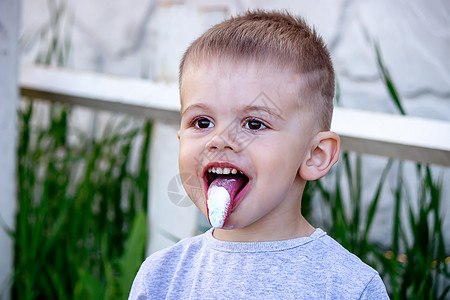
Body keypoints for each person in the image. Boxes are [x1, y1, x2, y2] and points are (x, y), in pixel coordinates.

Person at [129, 10, 389, 299]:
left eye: (254, 124)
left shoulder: (348, 286)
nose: (219, 140)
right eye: (202, 122)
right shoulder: (161, 276)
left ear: (315, 155)